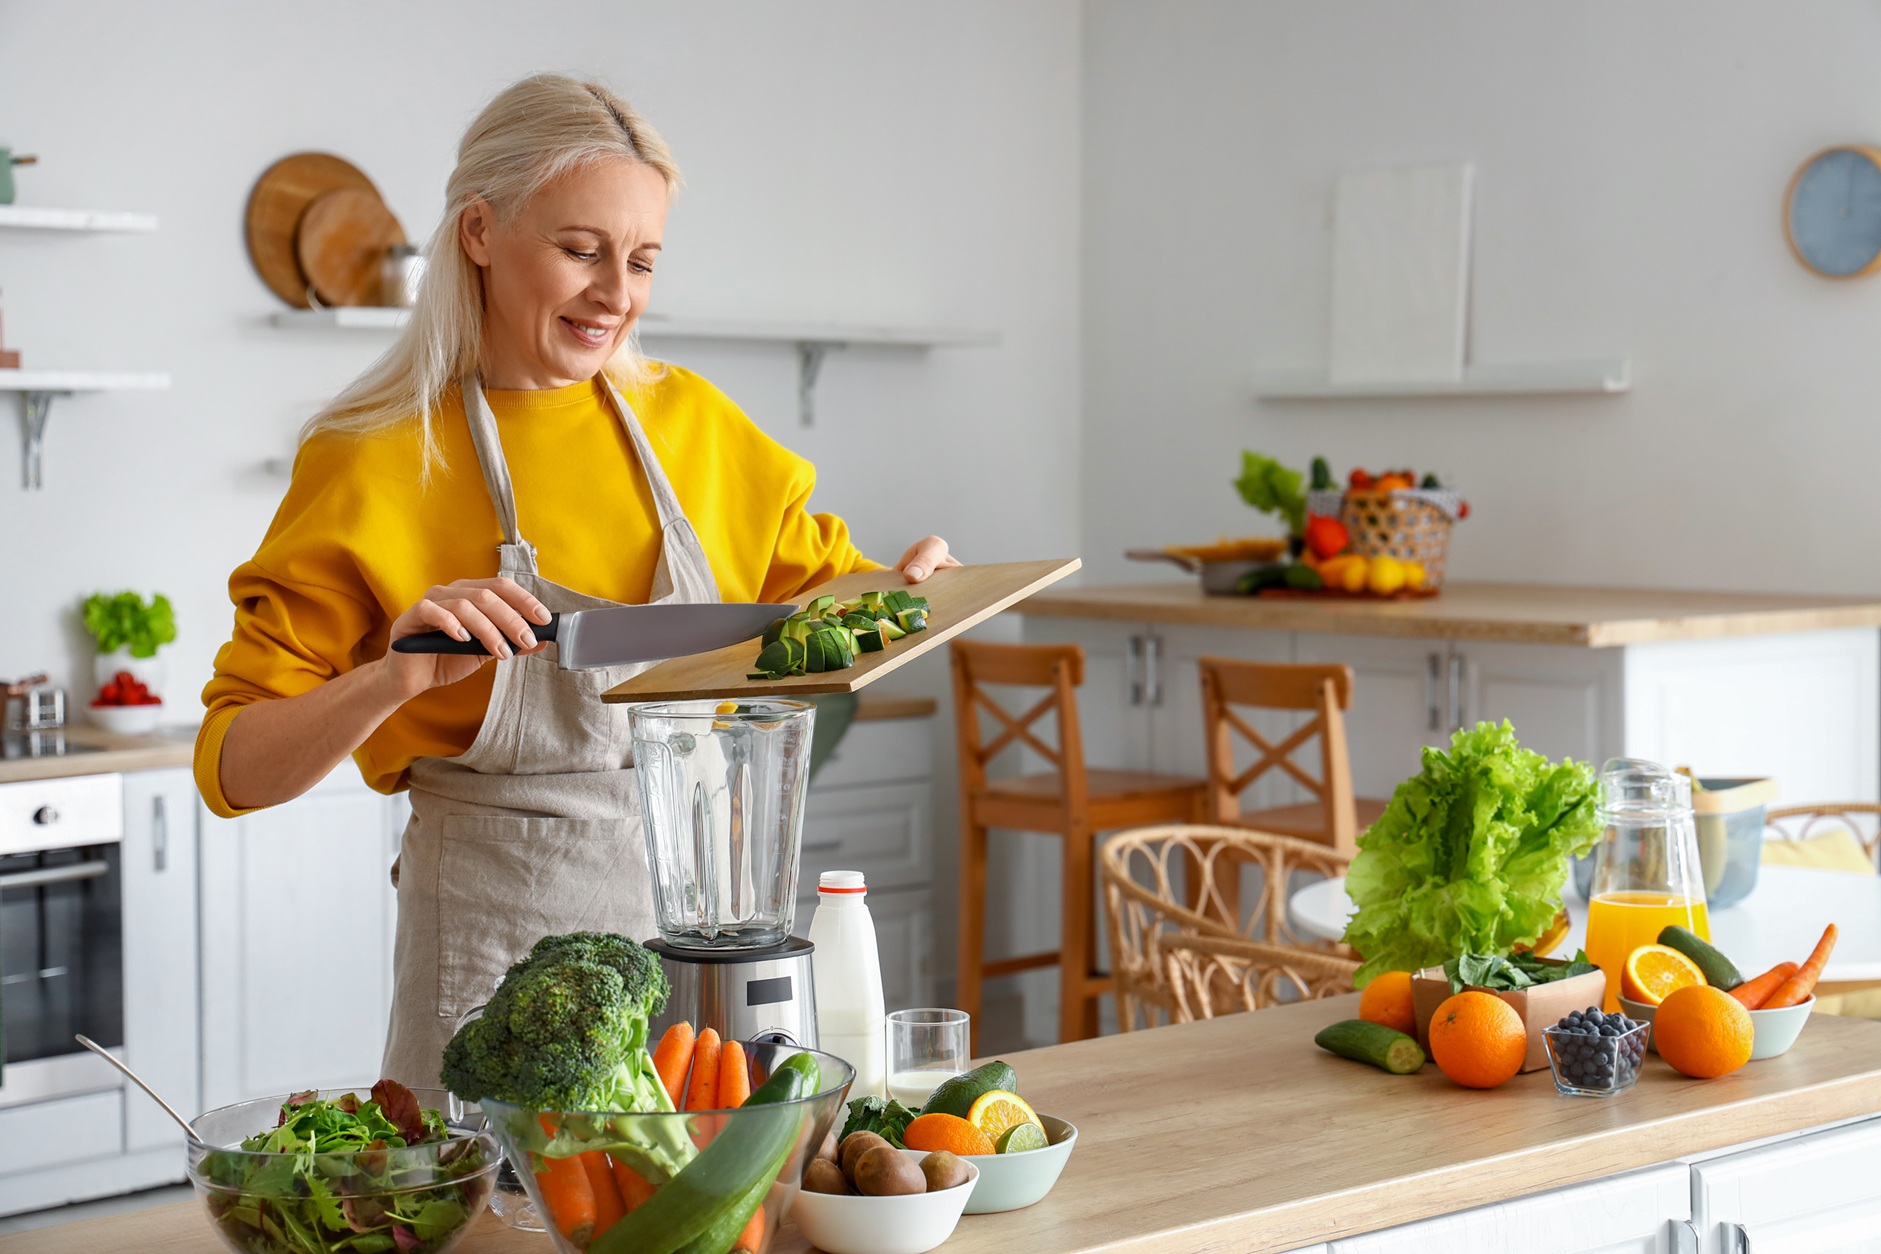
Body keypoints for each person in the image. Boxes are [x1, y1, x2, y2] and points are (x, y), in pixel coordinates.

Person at [195, 74, 956, 1087]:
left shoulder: (695, 426)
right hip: (487, 957)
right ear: (478, 232)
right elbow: (233, 769)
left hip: (692, 953)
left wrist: (913, 588)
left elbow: (826, 604)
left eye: (640, 260)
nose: (617, 293)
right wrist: (394, 678)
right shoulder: (372, 458)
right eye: (580, 249)